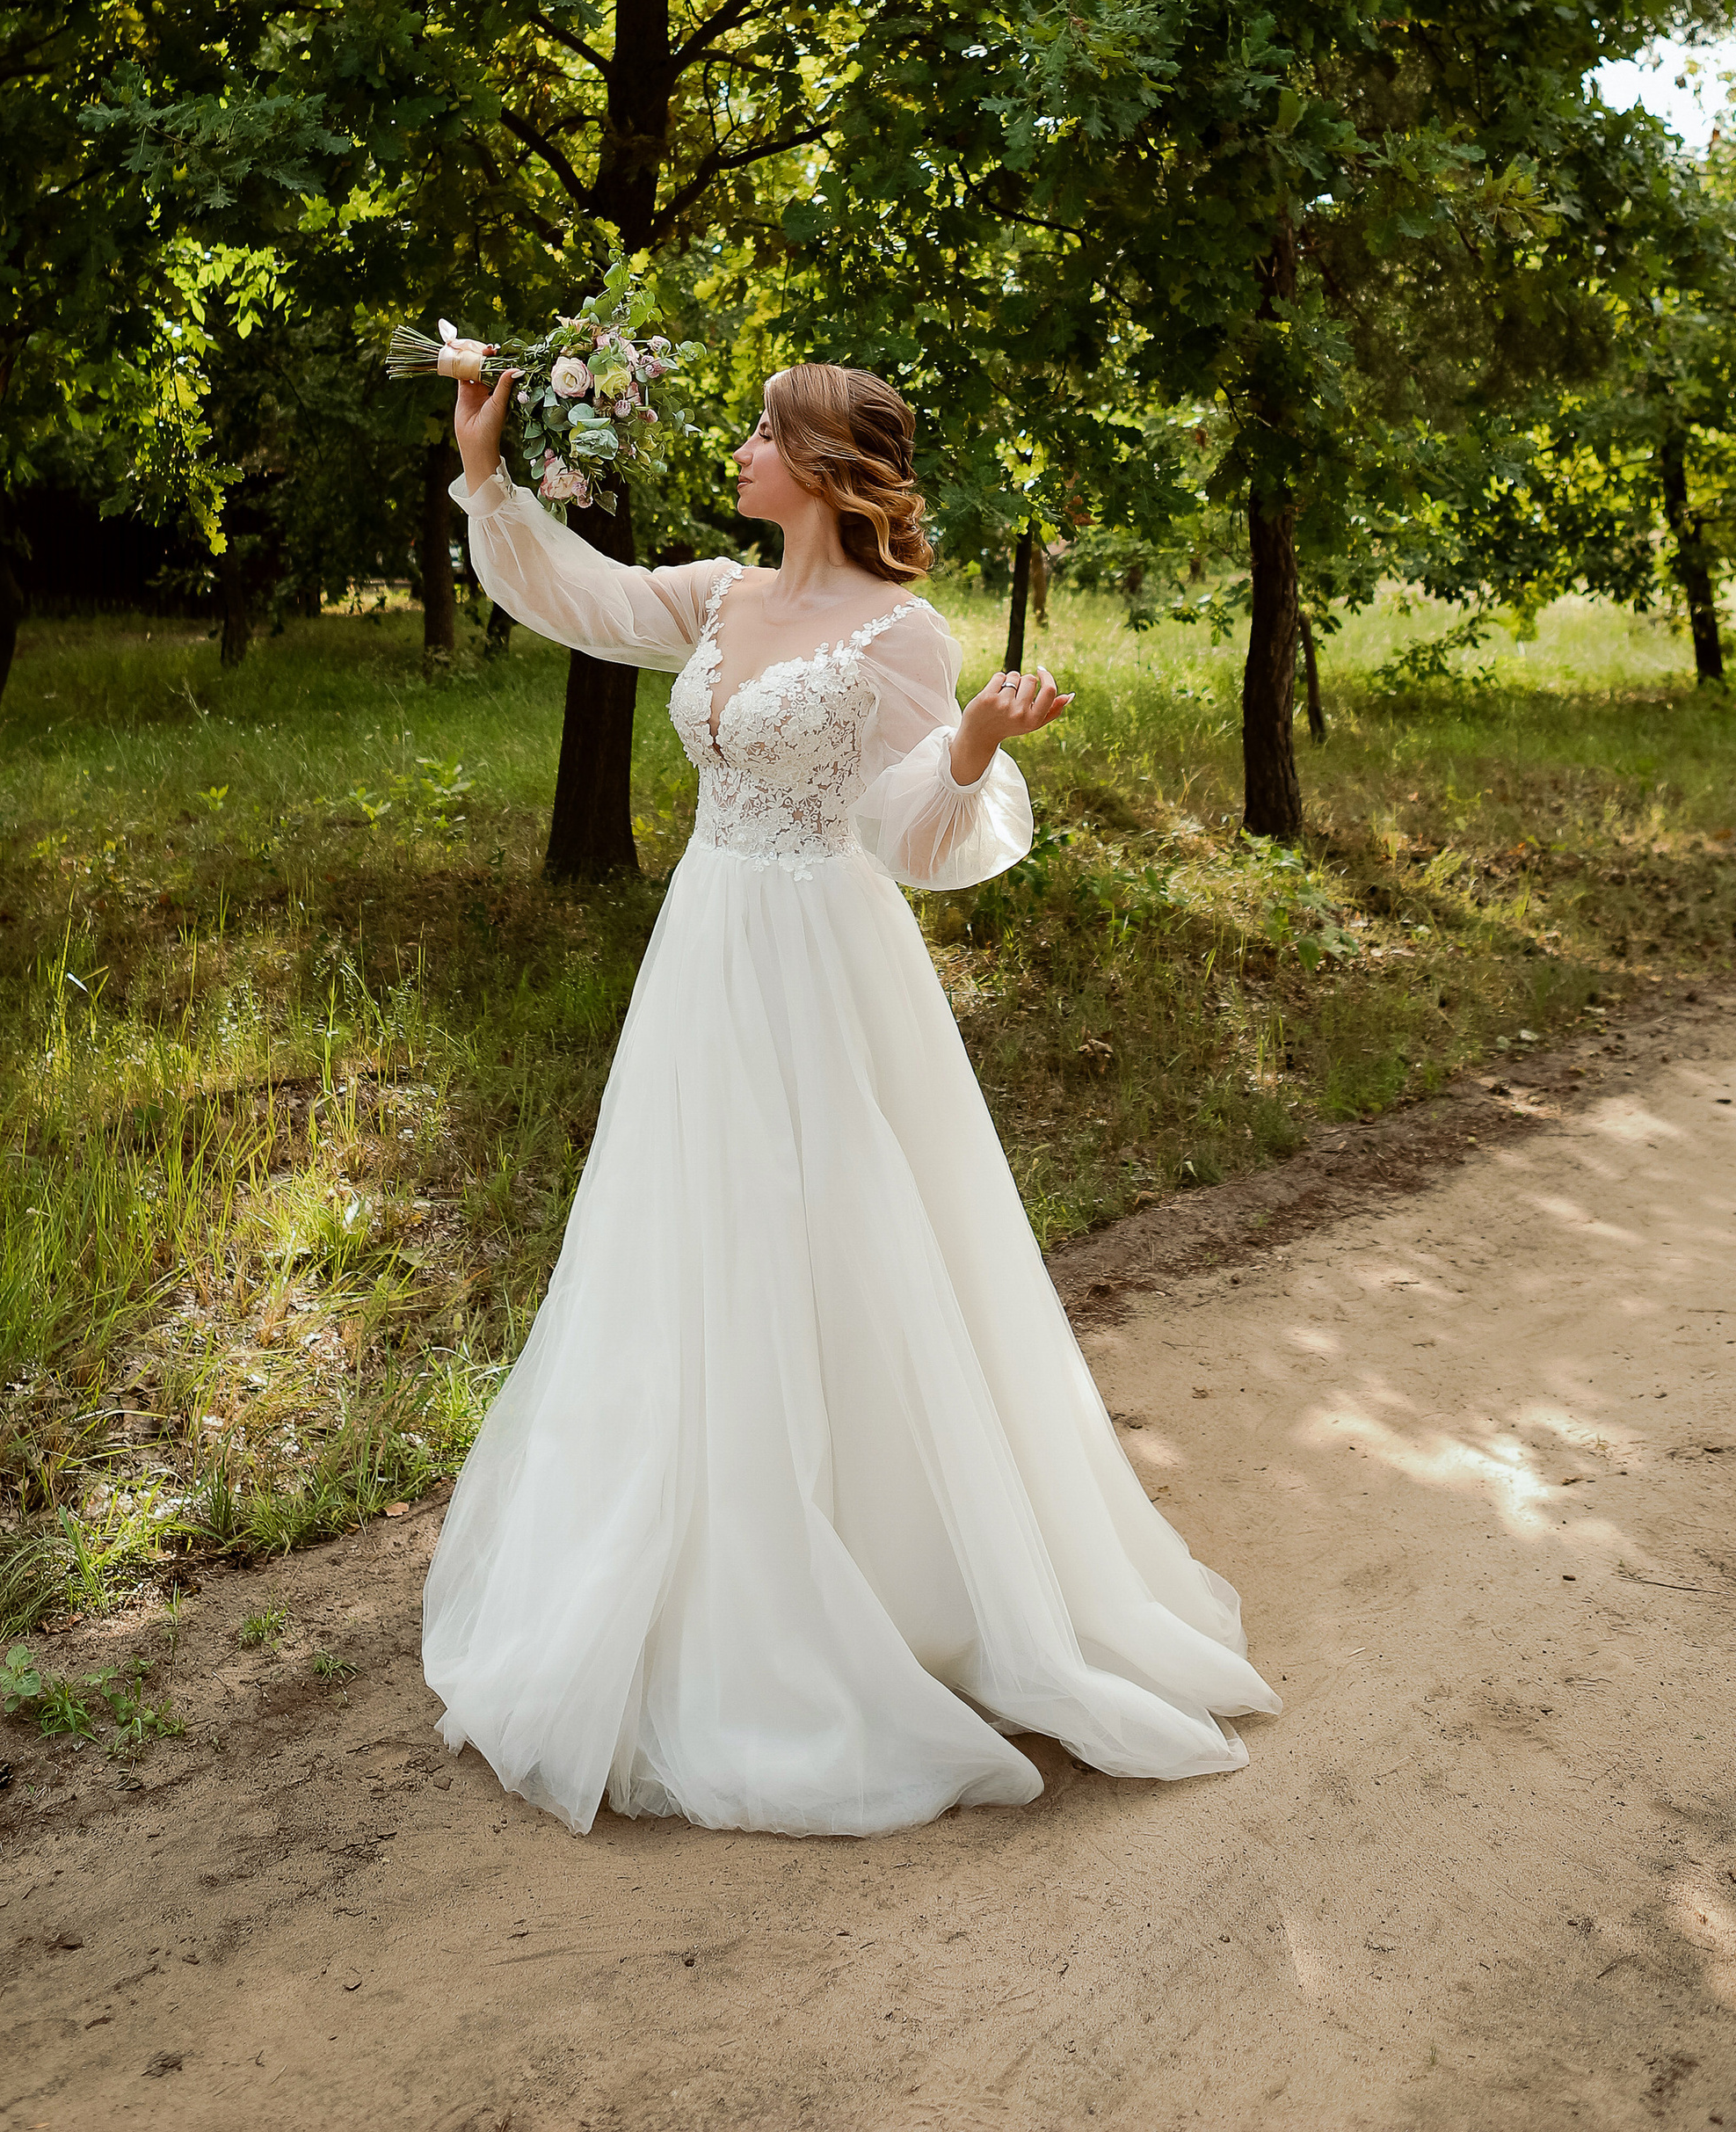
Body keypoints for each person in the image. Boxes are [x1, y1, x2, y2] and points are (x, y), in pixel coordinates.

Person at [421, 359, 1277, 1834]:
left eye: (764, 432)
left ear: (821, 463)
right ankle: (697, 1566)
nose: (743, 451)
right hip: (704, 955)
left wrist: (975, 744)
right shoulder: (718, 597)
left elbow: (913, 833)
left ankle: (889, 1582)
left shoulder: (900, 629)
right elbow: (583, 595)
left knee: (838, 1239)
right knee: (695, 1248)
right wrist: (484, 476)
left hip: (823, 956)